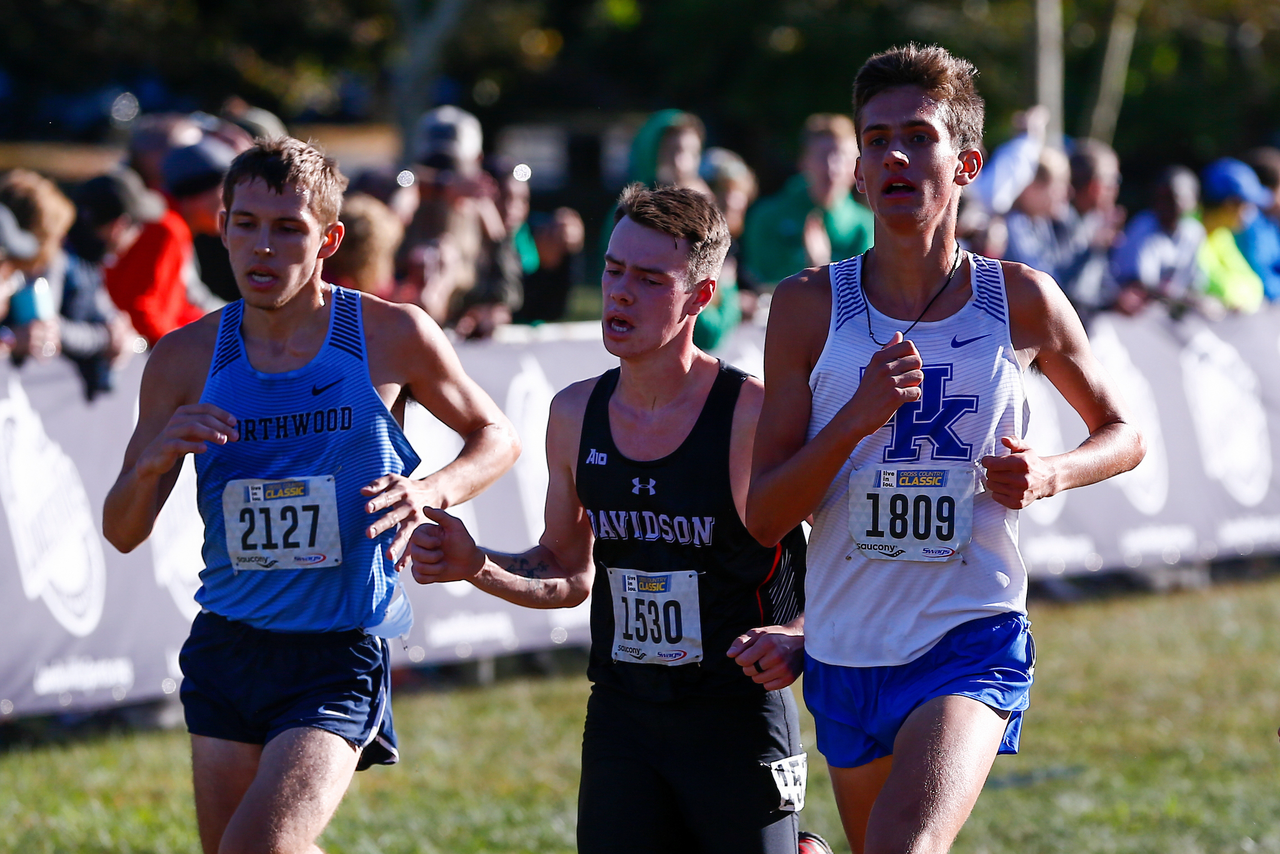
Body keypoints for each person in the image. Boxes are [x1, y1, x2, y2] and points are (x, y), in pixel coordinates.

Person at [747, 44, 1145, 854]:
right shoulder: (807, 308)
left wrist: (1050, 473)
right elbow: (765, 515)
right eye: (876, 140)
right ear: (860, 173)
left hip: (970, 634)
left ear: (966, 163)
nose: (894, 155)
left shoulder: (1021, 299)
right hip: (847, 644)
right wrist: (855, 418)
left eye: (918, 137)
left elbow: (1124, 434)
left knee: (906, 846)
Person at [101, 137, 521, 854]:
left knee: (257, 848)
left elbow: (497, 436)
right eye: (246, 224)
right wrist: (151, 465)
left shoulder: (389, 334)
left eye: (289, 229)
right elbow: (121, 531)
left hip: (338, 647)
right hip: (229, 644)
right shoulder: (184, 358)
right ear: (222, 226)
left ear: (329, 240)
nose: (263, 248)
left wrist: (430, 489)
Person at [407, 184, 830, 854]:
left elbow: (847, 548)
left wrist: (801, 634)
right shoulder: (575, 414)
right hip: (623, 712)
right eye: (613, 270)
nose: (621, 294)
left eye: (650, 279)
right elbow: (565, 571)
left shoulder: (750, 415)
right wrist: (475, 565)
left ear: (700, 297)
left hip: (736, 710)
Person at [742, 113, 874, 289]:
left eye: (841, 157)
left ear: (857, 168)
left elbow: (864, 291)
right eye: (822, 156)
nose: (832, 168)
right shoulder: (765, 216)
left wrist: (821, 266)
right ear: (803, 161)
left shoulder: (867, 226)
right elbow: (759, 281)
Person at [1109, 165, 1207, 317]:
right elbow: (1141, 284)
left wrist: (1197, 300)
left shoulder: (1194, 231)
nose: (1165, 204)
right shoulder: (1144, 224)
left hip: (1172, 311)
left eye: (1173, 197)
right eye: (1161, 197)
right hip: (1135, 310)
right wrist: (1184, 298)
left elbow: (1196, 284)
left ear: (1193, 200)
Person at [1196, 158, 1266, 314]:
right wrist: (1236, 296)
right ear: (1230, 204)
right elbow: (1208, 284)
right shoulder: (1187, 231)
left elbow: (1255, 285)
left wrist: (1236, 297)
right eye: (1247, 205)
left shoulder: (1221, 235)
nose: (1252, 212)